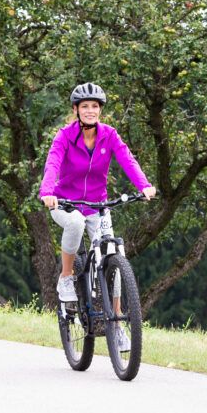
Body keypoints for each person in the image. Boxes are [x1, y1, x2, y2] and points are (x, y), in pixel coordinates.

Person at [39, 82, 156, 311]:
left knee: (112, 253)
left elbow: (127, 160)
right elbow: (52, 163)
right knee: (75, 223)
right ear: (75, 110)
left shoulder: (109, 135)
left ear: (100, 109)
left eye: (95, 106)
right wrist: (47, 192)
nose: (90, 110)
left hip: (97, 205)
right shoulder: (64, 136)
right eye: (85, 106)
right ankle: (66, 277)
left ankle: (118, 319)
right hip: (65, 203)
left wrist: (145, 185)